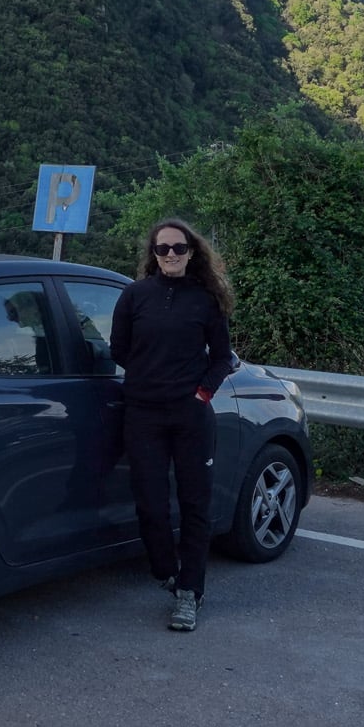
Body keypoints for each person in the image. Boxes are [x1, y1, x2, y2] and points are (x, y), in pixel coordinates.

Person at [110, 218, 235, 632]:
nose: (170, 256)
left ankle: (190, 592)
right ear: (153, 254)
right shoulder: (134, 296)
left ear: (191, 252)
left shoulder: (206, 300)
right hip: (142, 413)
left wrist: (200, 393)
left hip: (190, 416)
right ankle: (165, 569)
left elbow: (222, 358)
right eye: (162, 249)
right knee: (150, 502)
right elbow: (120, 350)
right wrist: (150, 379)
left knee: (195, 504)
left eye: (178, 248)